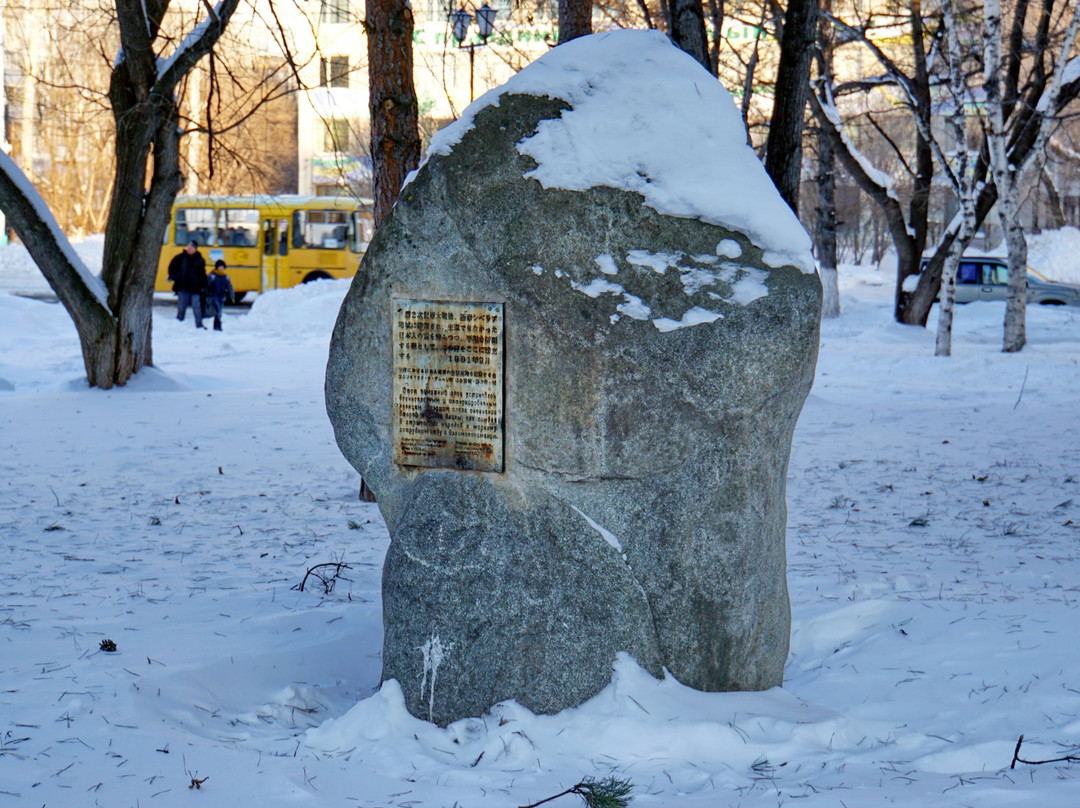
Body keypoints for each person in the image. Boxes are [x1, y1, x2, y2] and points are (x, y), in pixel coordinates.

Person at [167, 240, 207, 328]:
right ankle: (179, 323)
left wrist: (203, 286)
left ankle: (199, 324)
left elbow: (202, 274)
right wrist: (175, 277)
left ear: (195, 249)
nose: (189, 249)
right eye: (188, 247)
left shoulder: (199, 260)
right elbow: (172, 268)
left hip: (195, 288)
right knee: (181, 307)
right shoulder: (180, 257)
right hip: (183, 287)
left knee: (196, 306)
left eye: (191, 247)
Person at [205, 259, 234, 332]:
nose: (221, 268)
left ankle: (217, 325)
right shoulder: (212, 276)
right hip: (214, 297)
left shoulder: (225, 277)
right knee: (218, 311)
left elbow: (229, 286)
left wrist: (232, 295)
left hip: (222, 297)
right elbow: (207, 285)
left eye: (222, 267)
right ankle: (217, 325)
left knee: (219, 311)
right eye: (220, 267)